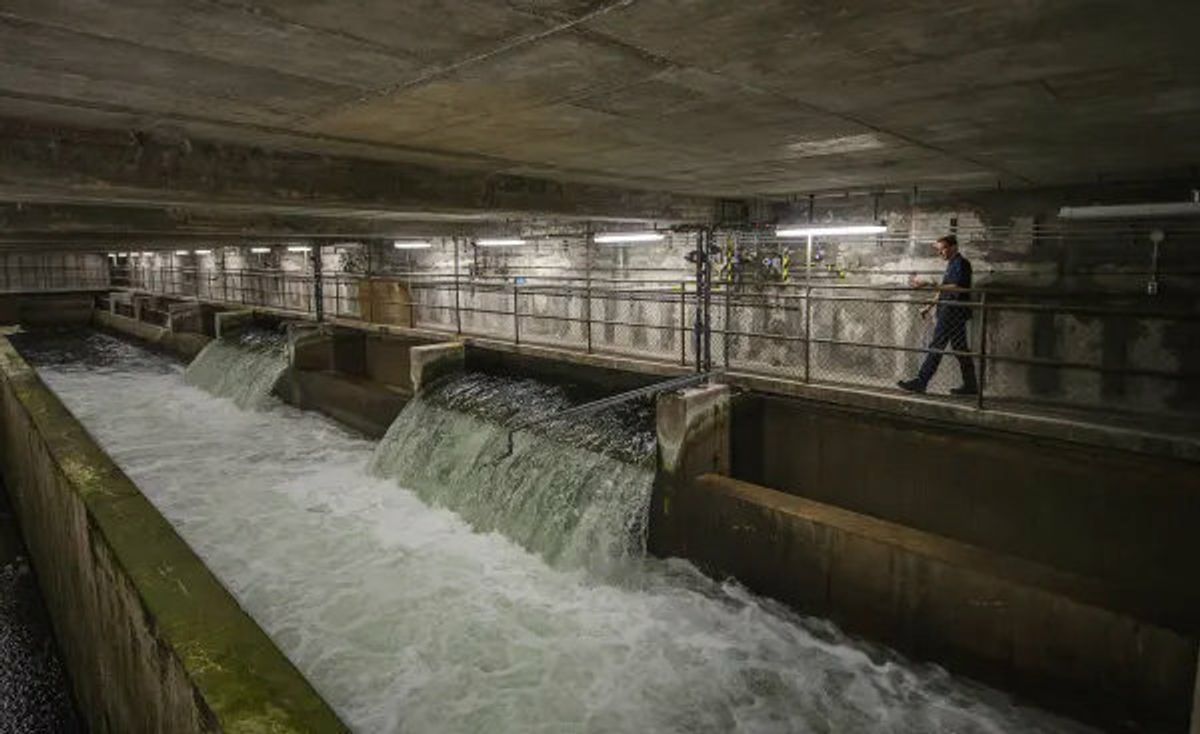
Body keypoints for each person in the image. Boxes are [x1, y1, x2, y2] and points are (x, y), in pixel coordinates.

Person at [898, 235, 979, 395]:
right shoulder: (952, 264)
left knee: (937, 346)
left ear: (954, 247)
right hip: (950, 311)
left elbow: (957, 287)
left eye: (943, 249)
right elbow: (944, 289)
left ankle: (921, 382)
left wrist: (930, 283)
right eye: (939, 250)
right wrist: (929, 306)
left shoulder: (962, 264)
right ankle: (971, 385)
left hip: (952, 312)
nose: (940, 253)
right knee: (960, 349)